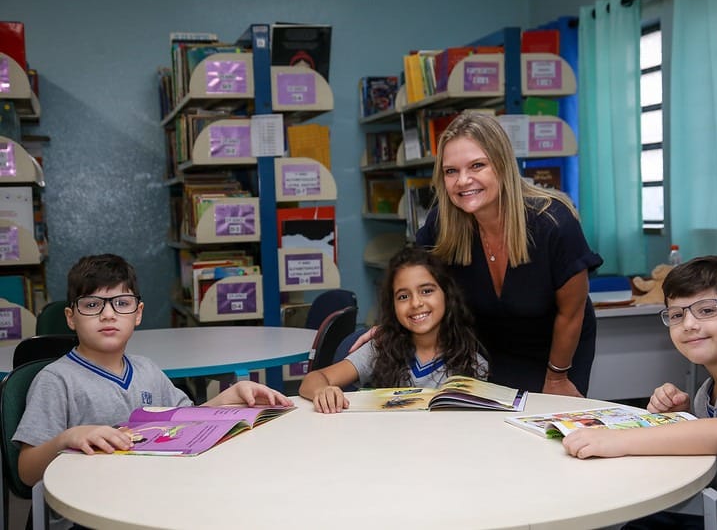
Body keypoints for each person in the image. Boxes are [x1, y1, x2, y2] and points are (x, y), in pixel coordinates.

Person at [352, 112, 602, 396]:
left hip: (557, 353)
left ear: (502, 165)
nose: (463, 180)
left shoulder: (553, 223)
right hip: (484, 351)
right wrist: (390, 326)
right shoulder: (441, 224)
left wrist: (557, 377)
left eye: (477, 165)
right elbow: (410, 281)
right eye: (451, 171)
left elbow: (571, 313)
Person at [562, 256, 717, 530]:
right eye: (677, 315)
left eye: (707, 311)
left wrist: (616, 440)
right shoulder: (709, 388)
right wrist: (681, 416)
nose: (688, 324)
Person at [13, 254, 291, 486]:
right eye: (92, 305)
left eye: (122, 304)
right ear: (71, 318)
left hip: (149, 492)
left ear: (138, 313)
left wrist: (228, 398)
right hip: (85, 510)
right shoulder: (56, 380)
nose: (108, 314)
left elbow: (183, 422)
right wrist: (66, 439)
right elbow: (26, 472)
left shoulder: (147, 370)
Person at [300, 246, 488, 413]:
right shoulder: (380, 349)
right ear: (393, 305)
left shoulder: (470, 361)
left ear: (447, 295)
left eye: (427, 291)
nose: (416, 303)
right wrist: (322, 390)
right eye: (403, 296)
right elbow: (314, 378)